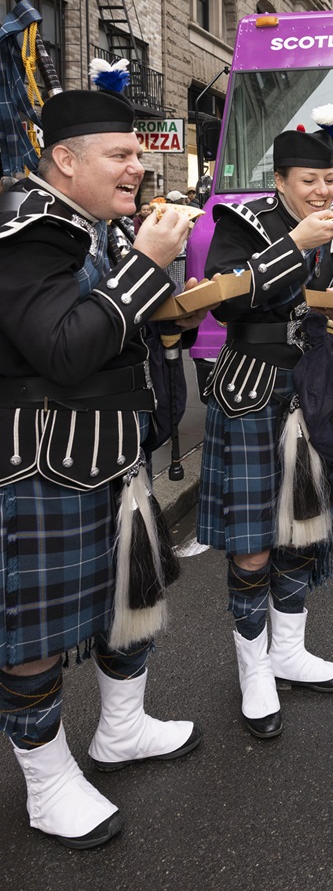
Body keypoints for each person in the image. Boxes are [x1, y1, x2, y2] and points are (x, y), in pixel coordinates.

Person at [0, 87, 207, 849]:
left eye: (136, 154)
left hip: (112, 455)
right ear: (65, 159)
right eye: (119, 156)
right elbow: (61, 348)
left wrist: (167, 308)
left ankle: (120, 731)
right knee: (35, 640)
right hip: (44, 470)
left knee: (132, 600)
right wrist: (149, 267)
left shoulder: (97, 229)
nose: (136, 168)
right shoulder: (27, 234)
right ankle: (46, 785)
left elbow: (113, 325)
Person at [198, 106, 333, 739]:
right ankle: (253, 671)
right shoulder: (240, 222)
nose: (324, 193)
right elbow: (228, 299)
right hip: (250, 391)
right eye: (310, 182)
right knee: (252, 541)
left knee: (302, 527)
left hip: (312, 387)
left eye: (330, 180)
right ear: (280, 180)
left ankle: (290, 651)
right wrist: (296, 247)